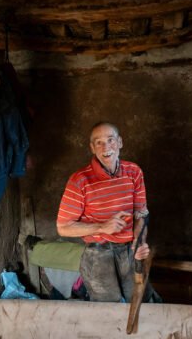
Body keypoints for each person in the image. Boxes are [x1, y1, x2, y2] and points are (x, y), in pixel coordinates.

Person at [56, 122, 150, 302]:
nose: (106, 147)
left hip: (128, 249)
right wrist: (101, 227)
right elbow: (63, 227)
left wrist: (139, 241)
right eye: (98, 142)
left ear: (120, 142)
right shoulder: (80, 180)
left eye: (110, 140)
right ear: (92, 148)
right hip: (97, 253)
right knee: (109, 309)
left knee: (140, 301)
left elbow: (141, 213)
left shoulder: (133, 172)